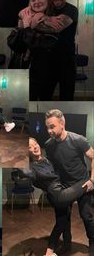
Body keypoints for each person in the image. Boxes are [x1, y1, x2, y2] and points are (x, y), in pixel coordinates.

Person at [24, 137, 90, 256]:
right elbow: (28, 174)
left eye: (36, 143)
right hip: (57, 195)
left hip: (63, 189)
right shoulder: (31, 168)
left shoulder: (48, 160)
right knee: (87, 183)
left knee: (62, 222)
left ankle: (53, 250)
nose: (34, 147)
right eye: (30, 146)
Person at [7, 0, 73, 100]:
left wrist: (28, 27)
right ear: (30, 3)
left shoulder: (54, 22)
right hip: (21, 70)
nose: (37, 1)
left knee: (43, 101)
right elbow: (13, 44)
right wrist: (29, 25)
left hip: (45, 76)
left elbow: (40, 46)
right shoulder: (23, 18)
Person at [45, 109, 94, 256]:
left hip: (83, 183)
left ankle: (92, 243)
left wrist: (92, 179)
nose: (49, 130)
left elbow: (93, 157)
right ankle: (67, 244)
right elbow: (53, 167)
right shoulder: (48, 145)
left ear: (62, 123)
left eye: (52, 126)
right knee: (63, 218)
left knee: (86, 216)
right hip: (64, 186)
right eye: (47, 127)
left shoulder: (78, 140)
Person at [46, 0, 78, 100]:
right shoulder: (45, 8)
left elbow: (57, 28)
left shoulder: (72, 10)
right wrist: (45, 19)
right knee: (45, 95)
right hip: (48, 62)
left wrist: (39, 20)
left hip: (67, 62)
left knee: (67, 97)